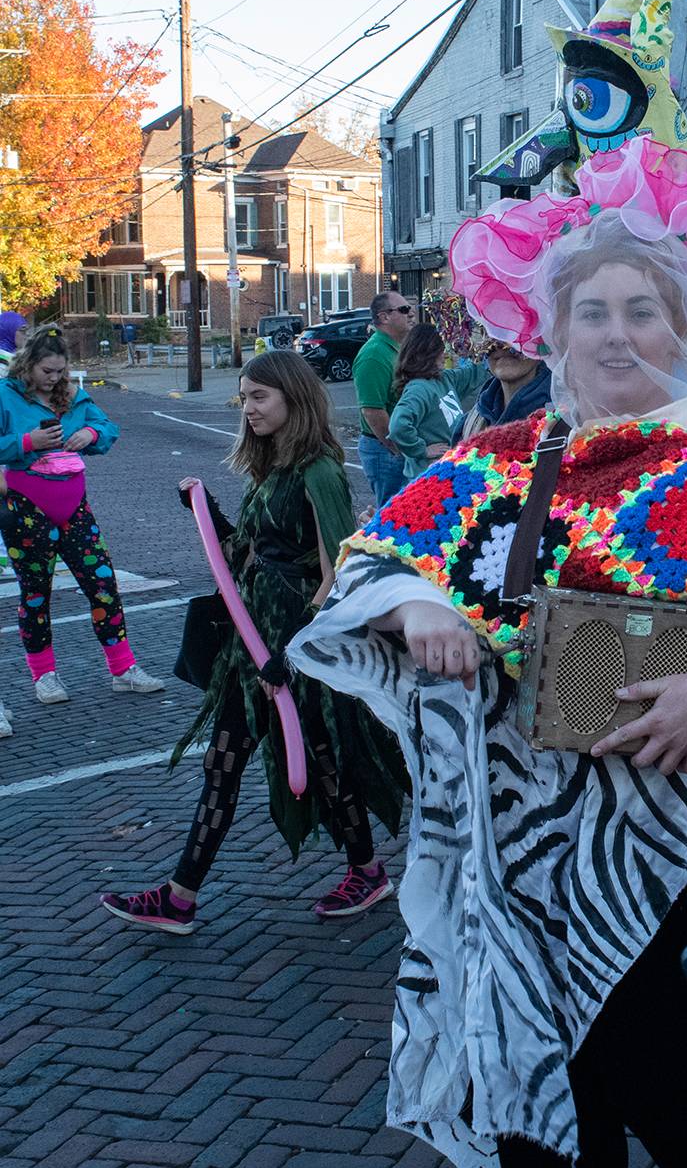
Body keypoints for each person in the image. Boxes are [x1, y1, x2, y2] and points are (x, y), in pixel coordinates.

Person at [288, 133, 687, 1168]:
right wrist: (419, 603)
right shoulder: (503, 459)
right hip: (523, 862)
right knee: (548, 1125)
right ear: (552, 327)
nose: (615, 332)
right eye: (591, 312)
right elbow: (371, 564)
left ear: (683, 320)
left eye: (640, 309)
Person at [98, 350, 404, 933]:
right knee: (226, 763)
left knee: (322, 759)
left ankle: (366, 870)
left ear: (293, 396)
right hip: (253, 645)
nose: (248, 408)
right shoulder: (272, 469)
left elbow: (338, 569)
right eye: (242, 398)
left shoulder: (318, 470)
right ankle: (180, 896)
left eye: (258, 396)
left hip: (296, 649)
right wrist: (207, 510)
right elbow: (251, 552)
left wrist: (291, 654)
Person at [0, 327, 165, 701]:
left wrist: (91, 435)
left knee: (103, 585)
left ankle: (123, 668)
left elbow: (107, 427)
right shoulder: (5, 397)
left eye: (59, 371)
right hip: (28, 511)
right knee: (36, 594)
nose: (54, 379)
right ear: (27, 365)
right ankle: (44, 676)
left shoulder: (72, 395)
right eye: (47, 371)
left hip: (75, 510)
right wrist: (28, 442)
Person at [386, 326, 488, 478]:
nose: (445, 355)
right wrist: (422, 450)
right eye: (441, 350)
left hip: (447, 470)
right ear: (428, 353)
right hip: (429, 477)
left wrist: (486, 348)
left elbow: (475, 373)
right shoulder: (418, 389)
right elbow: (397, 426)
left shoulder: (444, 379)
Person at [353, 291, 414, 510]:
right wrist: (397, 447)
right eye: (404, 310)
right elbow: (372, 410)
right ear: (384, 317)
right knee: (393, 513)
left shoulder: (394, 349)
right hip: (384, 449)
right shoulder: (374, 355)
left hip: (396, 446)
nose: (411, 314)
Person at [455, 338, 552, 439]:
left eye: (519, 331)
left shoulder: (565, 415)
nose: (502, 344)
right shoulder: (469, 424)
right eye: (491, 332)